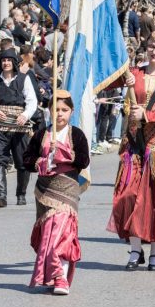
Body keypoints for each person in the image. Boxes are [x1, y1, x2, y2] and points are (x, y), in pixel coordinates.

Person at [107, 30, 155, 271]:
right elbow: (108, 82)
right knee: (128, 194)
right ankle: (135, 248)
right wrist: (123, 79)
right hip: (134, 139)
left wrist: (148, 115)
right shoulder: (135, 73)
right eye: (151, 46)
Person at [23, 90, 90, 295]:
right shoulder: (42, 133)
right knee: (48, 236)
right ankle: (51, 277)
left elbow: (83, 160)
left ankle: (61, 278)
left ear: (71, 111)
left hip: (67, 190)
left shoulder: (76, 134)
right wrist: (43, 160)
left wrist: (62, 150)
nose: (59, 114)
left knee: (60, 235)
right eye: (56, 110)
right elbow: (26, 160)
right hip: (45, 191)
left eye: (64, 110)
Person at [0, 48, 38, 207]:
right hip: (1, 125)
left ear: (14, 62)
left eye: (9, 60)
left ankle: (21, 194)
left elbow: (32, 101)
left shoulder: (23, 78)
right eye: (3, 60)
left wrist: (25, 115)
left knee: (22, 161)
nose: (6, 63)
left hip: (20, 126)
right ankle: (1, 196)